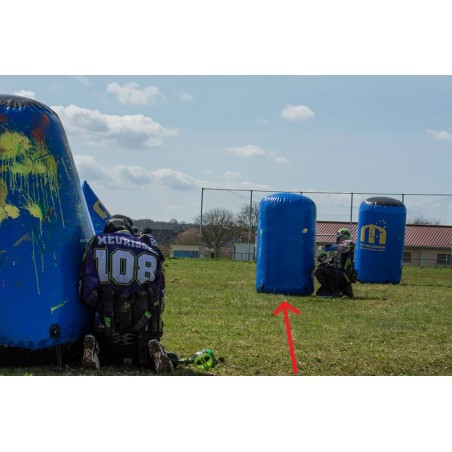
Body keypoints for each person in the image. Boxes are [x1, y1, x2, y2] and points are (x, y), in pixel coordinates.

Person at [79, 214, 174, 373]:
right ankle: (153, 349)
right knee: (149, 305)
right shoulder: (151, 249)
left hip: (106, 330)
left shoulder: (97, 243)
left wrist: (103, 303)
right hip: (143, 332)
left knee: (101, 305)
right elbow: (160, 294)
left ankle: (95, 347)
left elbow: (86, 293)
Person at [314, 228, 357, 298]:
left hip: (343, 275)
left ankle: (335, 291)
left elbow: (343, 248)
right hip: (338, 275)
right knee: (321, 270)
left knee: (319, 271)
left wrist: (330, 246)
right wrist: (326, 264)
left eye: (338, 237)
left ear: (342, 236)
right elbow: (333, 263)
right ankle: (337, 291)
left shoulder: (349, 243)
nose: (337, 239)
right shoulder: (337, 251)